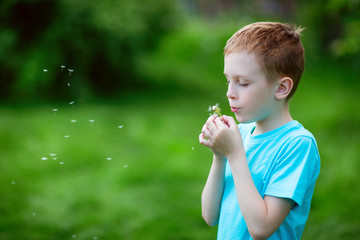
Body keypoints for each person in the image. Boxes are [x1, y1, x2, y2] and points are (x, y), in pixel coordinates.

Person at [199, 22, 320, 240]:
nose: (229, 93)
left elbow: (261, 228)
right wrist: (219, 156)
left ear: (281, 88)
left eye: (243, 83)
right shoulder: (241, 134)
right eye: (228, 80)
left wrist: (234, 154)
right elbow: (210, 216)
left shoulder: (297, 144)